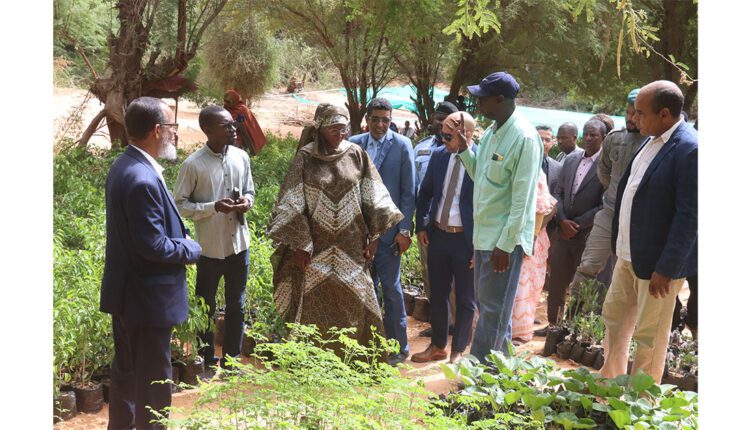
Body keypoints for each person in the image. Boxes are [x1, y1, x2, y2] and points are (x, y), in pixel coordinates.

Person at [100, 97, 202, 430]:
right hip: (147, 300)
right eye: (172, 127)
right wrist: (190, 248)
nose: (175, 133)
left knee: (128, 375)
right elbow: (152, 244)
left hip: (129, 295)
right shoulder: (142, 179)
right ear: (157, 130)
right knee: (155, 384)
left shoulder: (124, 165)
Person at [267, 104, 403, 350]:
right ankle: (313, 359)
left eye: (344, 129)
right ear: (320, 128)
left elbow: (373, 195)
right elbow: (293, 201)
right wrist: (300, 244)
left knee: (356, 300)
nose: (340, 134)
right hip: (315, 248)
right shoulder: (306, 157)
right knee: (314, 300)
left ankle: (356, 358)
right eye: (334, 129)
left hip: (352, 246)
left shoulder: (356, 154)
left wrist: (374, 237)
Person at [601, 80, 697, 383]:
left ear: (664, 114)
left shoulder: (690, 149)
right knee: (614, 319)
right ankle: (610, 386)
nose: (633, 118)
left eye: (640, 113)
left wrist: (667, 268)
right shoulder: (652, 139)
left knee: (649, 336)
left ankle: (641, 401)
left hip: (657, 267)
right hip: (627, 255)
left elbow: (690, 216)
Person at [452, 71, 542, 361]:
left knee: (493, 311)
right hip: (484, 237)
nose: (477, 102)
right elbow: (481, 176)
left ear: (500, 99)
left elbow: (523, 200)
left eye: (482, 98)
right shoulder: (492, 133)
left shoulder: (524, 138)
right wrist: (465, 150)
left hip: (503, 242)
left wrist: (506, 244)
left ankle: (480, 373)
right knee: (491, 308)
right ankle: (502, 371)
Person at [173, 106, 255, 370]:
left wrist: (247, 202)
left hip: (239, 246)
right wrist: (213, 207)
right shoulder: (193, 165)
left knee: (236, 305)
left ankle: (232, 360)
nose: (233, 129)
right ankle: (206, 358)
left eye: (233, 124)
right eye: (226, 126)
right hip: (210, 248)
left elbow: (250, 191)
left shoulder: (241, 157)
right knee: (206, 306)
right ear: (207, 130)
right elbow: (179, 206)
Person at [350, 98, 417, 365]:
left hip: (390, 234)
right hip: (359, 233)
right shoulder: (354, 143)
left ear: (391, 121)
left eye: (385, 120)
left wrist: (405, 230)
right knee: (363, 290)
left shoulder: (402, 145)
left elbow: (409, 192)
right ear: (367, 119)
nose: (380, 125)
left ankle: (399, 347)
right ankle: (368, 345)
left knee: (391, 289)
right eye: (375, 119)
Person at [567, 89, 646, 309]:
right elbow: (604, 172)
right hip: (610, 213)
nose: (631, 118)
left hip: (639, 220)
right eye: (628, 112)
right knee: (588, 265)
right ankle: (574, 316)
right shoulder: (615, 139)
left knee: (632, 272)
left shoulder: (654, 142)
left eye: (636, 113)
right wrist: (616, 193)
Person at [412, 112, 477, 364]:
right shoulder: (440, 155)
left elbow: (486, 206)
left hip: (465, 241)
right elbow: (426, 192)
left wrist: (479, 246)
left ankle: (458, 350)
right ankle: (438, 346)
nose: (443, 140)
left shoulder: (480, 161)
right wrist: (422, 225)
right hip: (438, 235)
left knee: (465, 298)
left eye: (449, 136)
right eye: (442, 135)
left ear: (466, 135)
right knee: (437, 294)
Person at [544, 118, 606, 326]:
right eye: (585, 134)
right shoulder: (571, 160)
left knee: (582, 286)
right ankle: (554, 326)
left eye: (593, 135)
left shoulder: (607, 164)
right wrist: (562, 220)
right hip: (563, 233)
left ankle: (572, 328)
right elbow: (558, 193)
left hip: (587, 235)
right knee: (556, 283)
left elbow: (605, 203)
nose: (588, 138)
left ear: (603, 137)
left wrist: (578, 224)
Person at [413, 101, 459, 337]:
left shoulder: (467, 151)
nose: (441, 123)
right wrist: (418, 223)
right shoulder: (421, 149)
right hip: (427, 224)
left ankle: (456, 323)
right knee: (430, 273)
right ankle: (440, 322)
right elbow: (416, 188)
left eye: (447, 119)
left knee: (455, 277)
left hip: (454, 224)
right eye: (438, 118)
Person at [511, 169, 557, 343]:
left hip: (530, 238)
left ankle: (519, 333)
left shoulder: (536, 172)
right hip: (509, 234)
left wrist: (533, 236)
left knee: (525, 285)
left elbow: (548, 207)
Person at [223, 90, 267, 156]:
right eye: (225, 101)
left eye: (229, 101)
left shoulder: (242, 109)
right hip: (226, 142)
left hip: (240, 142)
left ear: (235, 100)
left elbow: (246, 127)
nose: (226, 103)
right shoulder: (224, 109)